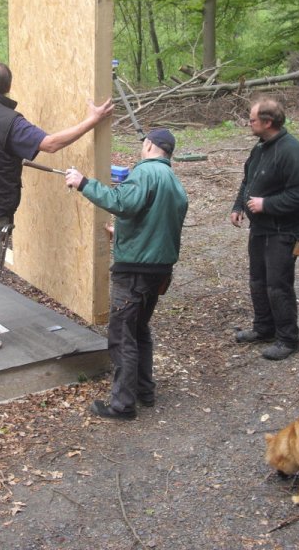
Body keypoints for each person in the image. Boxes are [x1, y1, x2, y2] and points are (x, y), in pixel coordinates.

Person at [0, 61, 114, 356]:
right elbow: (50, 144)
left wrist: (8, 156)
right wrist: (92, 120)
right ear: (8, 87)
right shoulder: (9, 120)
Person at [64, 128, 188, 420]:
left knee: (122, 335)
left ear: (149, 145)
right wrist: (121, 233)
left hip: (134, 271)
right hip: (158, 270)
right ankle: (145, 391)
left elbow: (121, 203)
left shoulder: (145, 173)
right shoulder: (173, 181)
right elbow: (154, 222)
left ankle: (122, 405)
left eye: (143, 144)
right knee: (139, 329)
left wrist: (83, 183)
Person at [230, 96, 299, 361]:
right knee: (258, 281)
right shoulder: (260, 147)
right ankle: (264, 328)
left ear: (267, 122)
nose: (249, 124)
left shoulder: (291, 151)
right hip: (261, 229)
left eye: (252, 120)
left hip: (285, 231)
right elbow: (248, 181)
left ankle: (288, 339)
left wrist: (266, 204)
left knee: (278, 285)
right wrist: (238, 206)